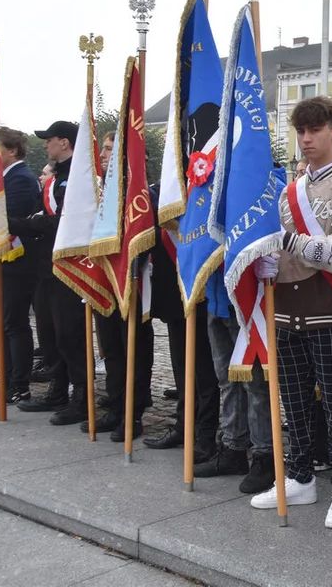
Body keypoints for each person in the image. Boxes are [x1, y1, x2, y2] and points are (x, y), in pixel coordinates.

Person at [251, 96, 332, 529]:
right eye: (300, 131)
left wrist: (288, 241)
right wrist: (267, 256)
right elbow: (280, 246)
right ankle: (299, 477)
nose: (307, 139)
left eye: (315, 130)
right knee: (293, 402)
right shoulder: (289, 190)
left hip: (329, 309)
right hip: (287, 307)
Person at [10, 121, 89, 424]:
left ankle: (81, 395)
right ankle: (58, 388)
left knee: (69, 332)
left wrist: (19, 224)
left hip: (68, 264)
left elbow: (63, 221)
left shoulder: (78, 178)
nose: (46, 145)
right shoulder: (56, 178)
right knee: (49, 331)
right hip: (46, 265)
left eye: (50, 140)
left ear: (65, 143)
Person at [82, 132, 155, 441]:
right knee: (111, 348)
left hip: (133, 281)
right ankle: (114, 405)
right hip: (106, 280)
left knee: (133, 349)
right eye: (104, 150)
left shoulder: (143, 193)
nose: (104, 155)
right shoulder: (101, 194)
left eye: (110, 149)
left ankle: (133, 412)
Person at [141, 187, 220, 463]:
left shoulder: (203, 184)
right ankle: (183, 425)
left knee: (204, 370)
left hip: (200, 290)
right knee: (181, 367)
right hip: (173, 291)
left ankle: (206, 433)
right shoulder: (169, 188)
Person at [194, 265, 275, 495]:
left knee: (255, 384)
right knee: (227, 380)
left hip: (246, 298)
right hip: (215, 297)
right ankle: (233, 448)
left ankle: (264, 455)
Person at [0, 127, 40, 404]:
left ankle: (18, 384)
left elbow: (6, 218)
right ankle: (3, 378)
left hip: (13, 264)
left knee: (13, 324)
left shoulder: (21, 179)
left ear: (12, 150)